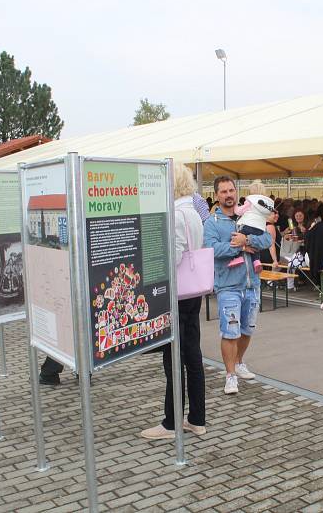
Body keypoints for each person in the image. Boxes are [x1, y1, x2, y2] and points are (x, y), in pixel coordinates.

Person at [142, 164, 207, 439]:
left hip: (178, 294)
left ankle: (171, 423)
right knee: (192, 356)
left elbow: (175, 256)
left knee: (173, 360)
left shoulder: (177, 215)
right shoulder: (192, 212)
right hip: (193, 292)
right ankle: (197, 419)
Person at [204, 176, 272, 395]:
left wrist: (248, 241)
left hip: (252, 285)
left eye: (231, 190)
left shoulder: (249, 214)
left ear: (236, 191)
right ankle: (230, 375)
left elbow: (266, 240)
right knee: (230, 332)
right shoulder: (211, 222)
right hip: (228, 286)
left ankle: (240, 362)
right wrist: (239, 246)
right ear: (216, 195)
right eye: (223, 191)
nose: (228, 195)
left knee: (247, 329)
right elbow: (213, 250)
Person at [226, 180, 275, 273]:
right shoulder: (265, 205)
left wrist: (236, 206)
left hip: (248, 226)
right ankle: (256, 261)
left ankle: (238, 257)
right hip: (260, 228)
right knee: (255, 247)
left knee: (237, 237)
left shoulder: (251, 201)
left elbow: (239, 211)